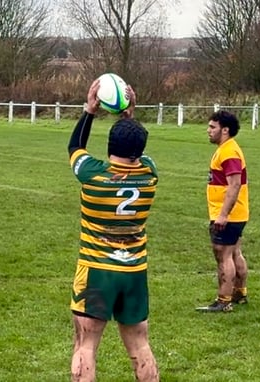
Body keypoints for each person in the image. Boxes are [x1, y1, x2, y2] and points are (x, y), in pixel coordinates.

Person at [67, 80, 159, 382]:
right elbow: (137, 149)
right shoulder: (150, 174)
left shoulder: (92, 174)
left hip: (97, 271)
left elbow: (75, 147)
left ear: (109, 147)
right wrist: (127, 115)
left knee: (86, 344)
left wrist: (89, 110)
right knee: (140, 343)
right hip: (134, 271)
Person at [196, 110, 250, 313]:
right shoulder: (227, 148)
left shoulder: (229, 151)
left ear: (225, 130)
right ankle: (239, 293)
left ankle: (223, 301)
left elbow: (234, 184)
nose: (208, 130)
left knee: (223, 254)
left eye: (212, 127)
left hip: (229, 214)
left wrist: (223, 214)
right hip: (237, 213)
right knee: (235, 251)